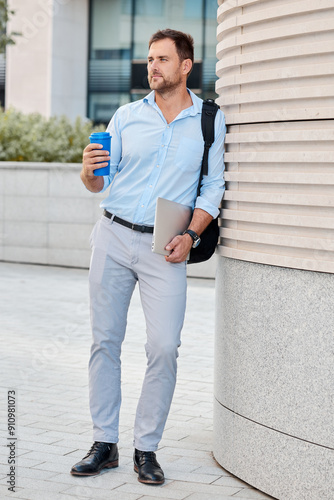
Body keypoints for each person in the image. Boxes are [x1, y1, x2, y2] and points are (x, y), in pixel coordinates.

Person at [70, 28, 225, 485]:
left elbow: (214, 187)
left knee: (163, 347)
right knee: (105, 341)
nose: (152, 67)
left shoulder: (208, 121)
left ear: (185, 66)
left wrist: (192, 236)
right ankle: (104, 442)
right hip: (113, 235)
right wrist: (87, 173)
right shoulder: (125, 117)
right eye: (149, 59)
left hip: (166, 249)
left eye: (162, 59)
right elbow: (100, 182)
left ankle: (146, 449)